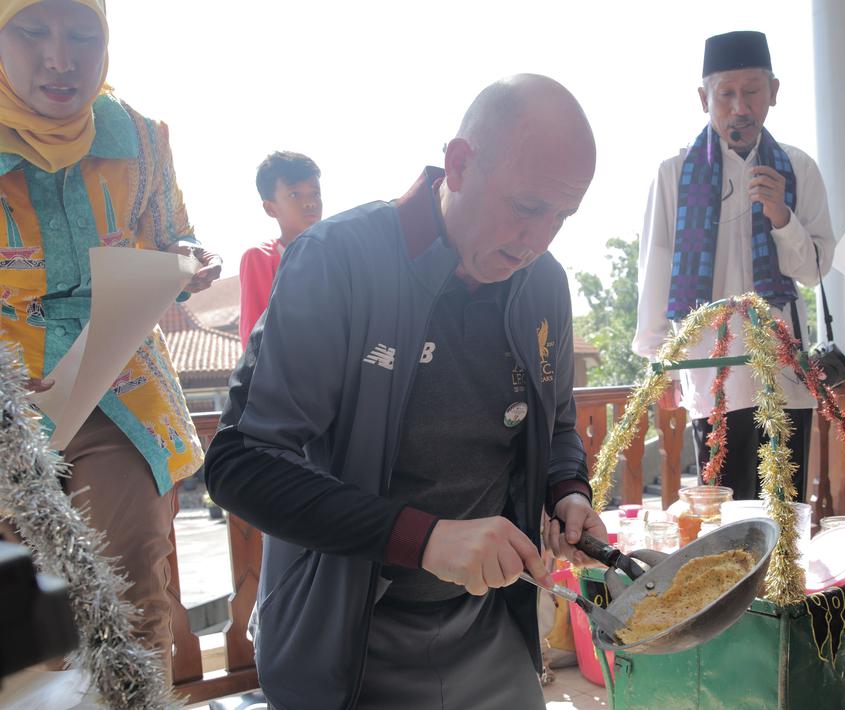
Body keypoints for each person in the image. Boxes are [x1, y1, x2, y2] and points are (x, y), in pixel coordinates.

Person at [203, 74, 603, 710]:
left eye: (563, 216)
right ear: (460, 163)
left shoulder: (544, 284)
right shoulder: (338, 261)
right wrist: (427, 539)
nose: (538, 241)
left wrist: (567, 491)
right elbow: (239, 464)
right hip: (348, 638)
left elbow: (555, 430)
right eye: (526, 207)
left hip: (493, 629)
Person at [0, 0, 221, 676]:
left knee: (128, 590)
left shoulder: (142, 138)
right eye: (32, 31)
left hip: (118, 388)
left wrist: (188, 260)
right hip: (9, 401)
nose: (61, 58)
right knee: (19, 608)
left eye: (83, 34)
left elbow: (171, 230)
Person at [633, 30, 835, 502]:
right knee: (723, 520)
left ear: (774, 93)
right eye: (726, 93)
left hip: (783, 374)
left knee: (786, 516)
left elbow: (816, 269)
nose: (739, 107)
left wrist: (782, 218)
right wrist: (657, 363)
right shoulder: (675, 173)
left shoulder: (798, 169)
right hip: (710, 370)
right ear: (704, 98)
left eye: (752, 91)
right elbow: (656, 266)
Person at [238, 150, 322, 343]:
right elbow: (255, 337)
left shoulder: (339, 256)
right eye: (294, 194)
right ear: (270, 208)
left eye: (315, 193)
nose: (310, 202)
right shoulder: (260, 258)